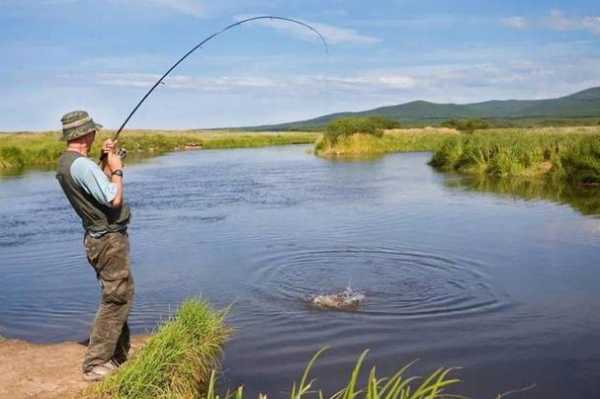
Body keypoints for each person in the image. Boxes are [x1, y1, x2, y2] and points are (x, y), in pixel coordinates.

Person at [55, 110, 134, 382]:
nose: (96, 134)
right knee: (116, 297)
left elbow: (94, 186)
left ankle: (119, 353)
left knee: (120, 292)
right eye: (93, 131)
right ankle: (96, 363)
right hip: (108, 240)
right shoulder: (81, 166)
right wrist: (117, 168)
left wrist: (103, 160)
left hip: (98, 239)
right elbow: (113, 198)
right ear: (85, 134)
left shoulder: (69, 163)